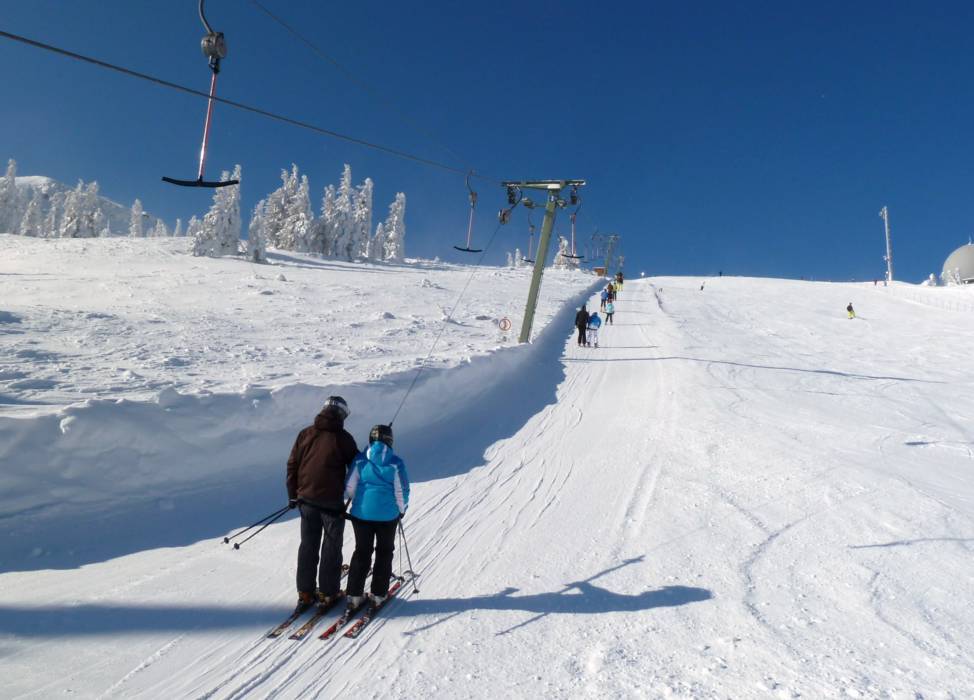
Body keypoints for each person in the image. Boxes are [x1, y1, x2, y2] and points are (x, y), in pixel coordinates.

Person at [286, 396, 359, 611]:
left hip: (305, 500)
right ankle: (328, 593)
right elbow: (357, 469)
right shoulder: (343, 439)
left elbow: (292, 465)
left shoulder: (305, 433)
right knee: (331, 547)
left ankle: (305, 593)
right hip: (331, 504)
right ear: (341, 415)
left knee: (308, 545)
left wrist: (293, 495)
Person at [344, 424, 410, 612]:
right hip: (387, 516)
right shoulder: (396, 463)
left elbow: (349, 487)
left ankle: (354, 595)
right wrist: (401, 510)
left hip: (361, 515)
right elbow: (402, 490)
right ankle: (378, 594)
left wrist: (357, 500)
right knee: (384, 552)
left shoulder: (359, 460)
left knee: (362, 551)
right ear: (390, 440)